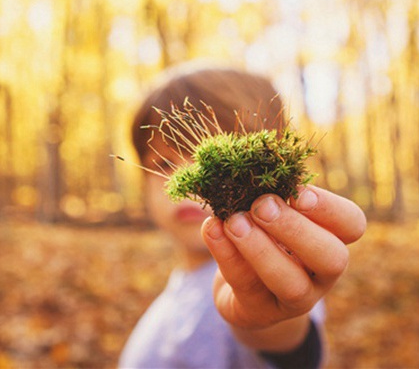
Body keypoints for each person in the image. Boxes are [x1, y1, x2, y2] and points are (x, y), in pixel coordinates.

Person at [119, 65, 366, 369]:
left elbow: (286, 342)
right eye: (165, 163)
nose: (188, 178)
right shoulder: (179, 291)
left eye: (212, 159)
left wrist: (265, 322)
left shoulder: (259, 279)